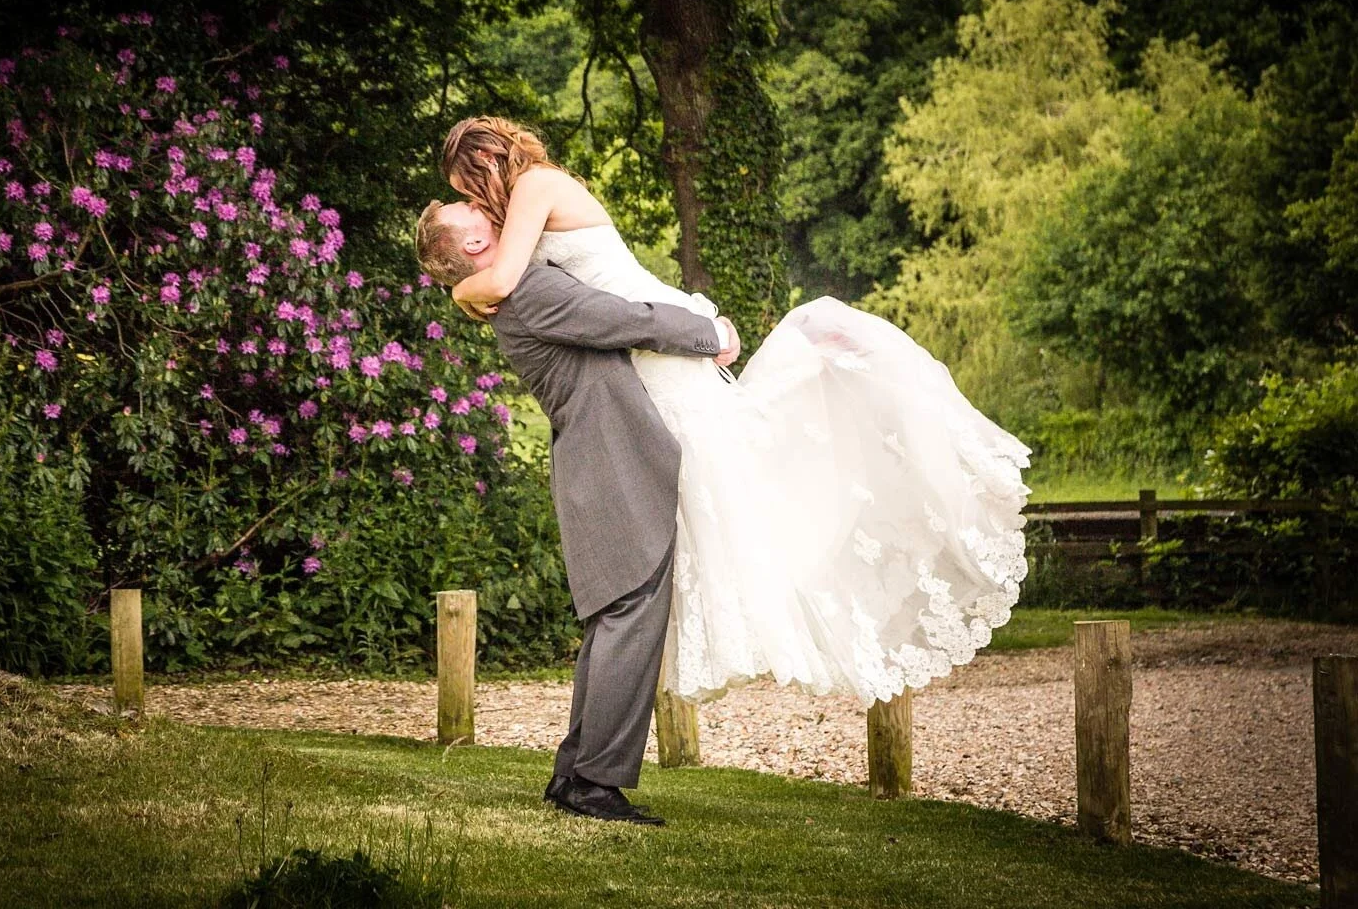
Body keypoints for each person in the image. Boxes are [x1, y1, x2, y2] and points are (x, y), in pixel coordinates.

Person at [427, 115, 1035, 709]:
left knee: (738, 456)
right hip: (640, 343)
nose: (476, 204)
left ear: (483, 162)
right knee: (720, 471)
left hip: (654, 331)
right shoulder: (527, 204)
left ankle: (817, 357)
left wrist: (456, 291)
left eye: (467, 191)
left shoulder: (534, 184)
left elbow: (503, 278)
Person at [416, 198, 739, 825]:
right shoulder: (528, 291)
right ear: (477, 248)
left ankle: (576, 774)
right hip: (610, 458)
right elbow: (624, 319)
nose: (490, 208)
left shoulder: (514, 287)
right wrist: (712, 335)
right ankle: (594, 782)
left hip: (598, 459)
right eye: (474, 212)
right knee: (631, 613)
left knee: (618, 613)